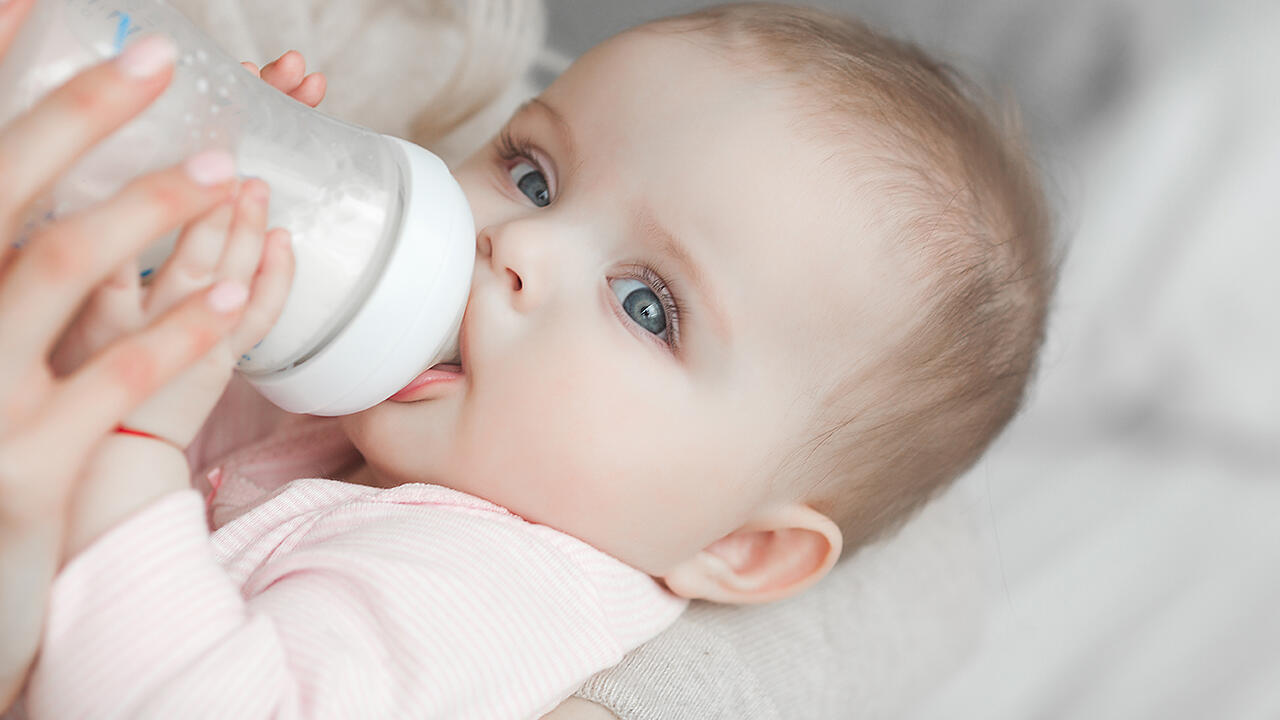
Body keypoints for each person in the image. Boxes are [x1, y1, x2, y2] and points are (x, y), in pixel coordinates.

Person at [2, 2, 1054, 717]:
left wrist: (136, 444)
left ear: (739, 549)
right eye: (534, 172)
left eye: (648, 305)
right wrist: (201, 237)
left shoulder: (490, 589)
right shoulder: (389, 419)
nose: (519, 245)